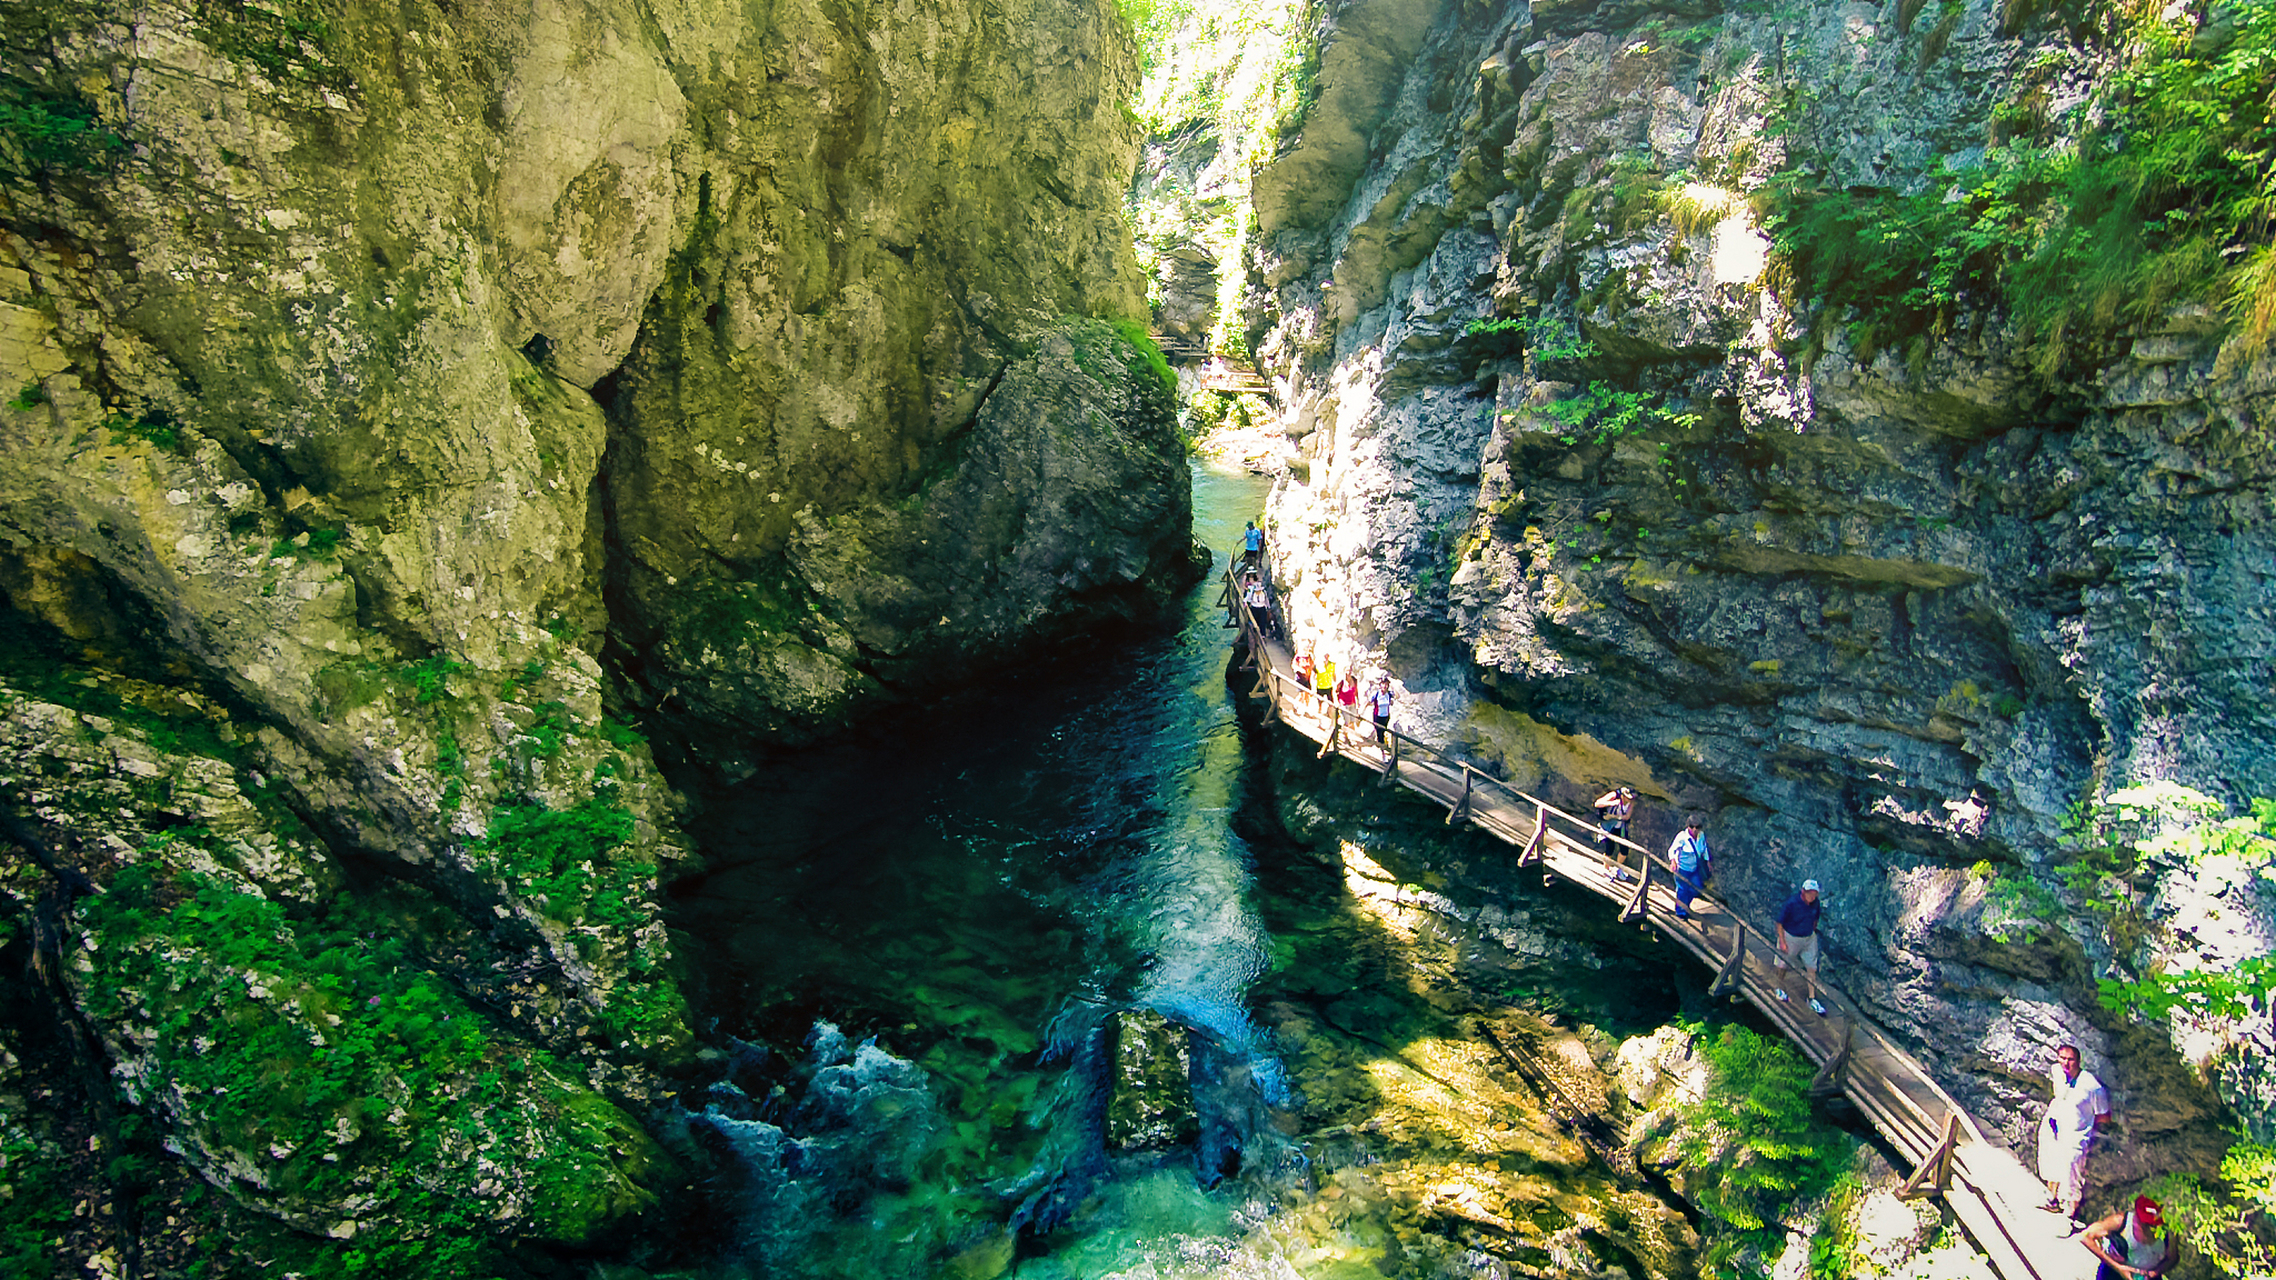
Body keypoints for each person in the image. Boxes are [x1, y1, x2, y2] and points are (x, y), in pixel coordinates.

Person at [2039, 1043, 2112, 1227]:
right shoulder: (2057, 1071)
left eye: (2070, 1059)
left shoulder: (2092, 1086)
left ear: (2078, 1061)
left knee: (2072, 1173)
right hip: (2055, 1128)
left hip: (2075, 1136)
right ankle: (2052, 1200)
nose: (2065, 1063)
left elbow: (2103, 1114)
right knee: (2051, 1164)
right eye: (2062, 1058)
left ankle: (2070, 1214)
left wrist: (2090, 1131)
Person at [2081, 1196, 2175, 1278]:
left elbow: (2172, 1258)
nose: (2148, 1227)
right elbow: (2086, 1237)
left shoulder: (2166, 1231)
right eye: (2144, 1222)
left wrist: (2156, 1272)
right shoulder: (2121, 1222)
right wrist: (2118, 1267)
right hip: (2114, 1274)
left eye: (2151, 1224)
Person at [1775, 879, 1827, 1016]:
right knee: (1783, 964)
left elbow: (1816, 919)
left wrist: (1811, 931)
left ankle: (1812, 998)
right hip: (1791, 936)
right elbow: (1779, 923)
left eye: (1815, 893)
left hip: (1808, 937)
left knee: (1812, 968)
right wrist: (1782, 942)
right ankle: (1779, 987)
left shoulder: (1816, 903)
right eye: (1810, 893)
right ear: (1803, 891)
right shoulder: (1792, 903)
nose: (1812, 896)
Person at [1667, 815, 1712, 920]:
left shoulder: (1701, 836)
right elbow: (1672, 850)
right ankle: (1681, 913)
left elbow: (1704, 849)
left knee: (1696, 888)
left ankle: (1685, 906)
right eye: (1692, 826)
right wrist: (1673, 861)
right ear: (1688, 827)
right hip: (1682, 869)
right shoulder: (1682, 837)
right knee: (1682, 890)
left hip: (1694, 869)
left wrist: (1708, 862)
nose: (1695, 829)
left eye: (1697, 827)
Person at [1593, 786, 1636, 882]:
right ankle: (1606, 869)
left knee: (1624, 849)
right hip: (1609, 826)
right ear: (1622, 795)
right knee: (1609, 849)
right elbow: (1597, 803)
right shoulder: (1614, 795)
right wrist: (1611, 803)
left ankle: (1618, 868)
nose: (1629, 800)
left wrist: (1614, 816)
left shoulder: (1631, 802)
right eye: (1627, 797)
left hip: (1621, 827)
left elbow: (1627, 816)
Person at [1242, 574, 1278, 639]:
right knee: (1255, 621)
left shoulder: (1264, 592)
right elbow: (1247, 598)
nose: (1258, 592)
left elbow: (1266, 600)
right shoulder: (1252, 592)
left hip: (1262, 608)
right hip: (1254, 607)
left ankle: (1262, 635)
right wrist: (1245, 603)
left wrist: (1268, 608)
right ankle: (1255, 634)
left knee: (1262, 621)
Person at [1367, 675, 1395, 746]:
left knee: (1383, 731)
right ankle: (1381, 745)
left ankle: (1381, 745)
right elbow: (1368, 701)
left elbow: (1397, 696)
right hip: (1377, 716)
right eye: (1383, 684)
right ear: (1380, 685)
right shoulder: (1376, 693)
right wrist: (1362, 710)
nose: (1384, 686)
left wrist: (1393, 687)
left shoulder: (1389, 694)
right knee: (1379, 733)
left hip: (1386, 717)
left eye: (1386, 684)